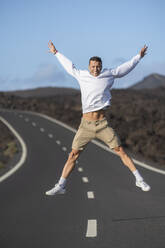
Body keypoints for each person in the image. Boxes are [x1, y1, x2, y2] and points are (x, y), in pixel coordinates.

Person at [45, 41, 151, 195]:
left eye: (98, 66)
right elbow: (69, 66)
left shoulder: (109, 74)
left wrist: (138, 56)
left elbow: (125, 68)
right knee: (73, 155)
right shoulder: (82, 75)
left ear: (101, 66)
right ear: (89, 66)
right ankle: (61, 185)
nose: (95, 69)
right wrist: (56, 53)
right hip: (85, 125)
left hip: (102, 125)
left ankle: (139, 179)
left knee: (120, 150)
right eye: (93, 66)